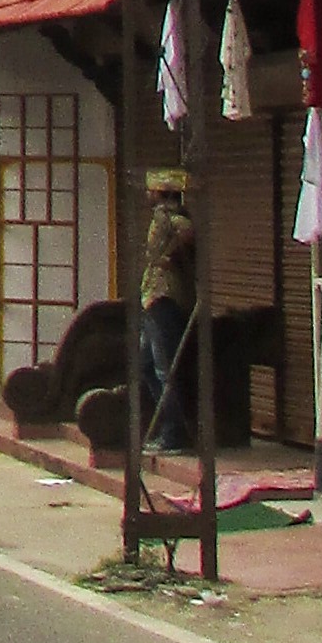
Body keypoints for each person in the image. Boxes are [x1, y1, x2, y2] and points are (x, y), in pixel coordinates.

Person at [140, 179, 197, 453]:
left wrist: (163, 218)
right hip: (151, 298)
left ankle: (174, 433)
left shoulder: (177, 222)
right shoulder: (160, 220)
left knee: (165, 369)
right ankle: (168, 425)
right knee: (146, 365)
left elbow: (170, 248)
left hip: (167, 299)